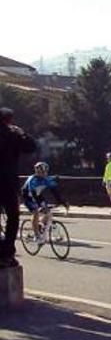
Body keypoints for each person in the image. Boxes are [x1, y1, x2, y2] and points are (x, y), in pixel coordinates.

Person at [0, 107, 37, 267]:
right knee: (13, 216)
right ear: (9, 120)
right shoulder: (13, 133)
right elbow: (30, 147)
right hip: (7, 181)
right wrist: (21, 133)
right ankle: (7, 253)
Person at [21, 162, 69, 243]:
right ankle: (36, 236)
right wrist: (40, 206)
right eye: (40, 172)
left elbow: (55, 192)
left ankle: (39, 225)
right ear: (36, 172)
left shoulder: (48, 179)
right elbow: (33, 194)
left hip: (38, 196)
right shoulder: (32, 180)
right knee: (36, 211)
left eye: (44, 172)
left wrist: (62, 202)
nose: (43, 174)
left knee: (48, 212)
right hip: (28, 197)